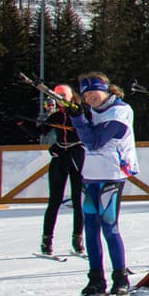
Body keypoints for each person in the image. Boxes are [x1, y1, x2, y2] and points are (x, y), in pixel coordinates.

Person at [69, 73, 138, 296]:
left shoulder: (120, 111)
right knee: (90, 227)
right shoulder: (92, 111)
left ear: (106, 89)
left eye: (94, 92)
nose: (90, 98)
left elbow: (94, 140)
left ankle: (120, 277)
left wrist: (78, 119)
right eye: (85, 94)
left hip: (112, 175)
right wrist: (73, 115)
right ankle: (96, 279)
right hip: (90, 175)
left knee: (109, 226)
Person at [35, 85, 85, 257]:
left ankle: (78, 240)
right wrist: (19, 122)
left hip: (78, 156)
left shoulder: (79, 111)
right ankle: (47, 240)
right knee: (54, 201)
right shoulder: (56, 115)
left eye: (63, 95)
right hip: (60, 158)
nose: (60, 98)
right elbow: (39, 132)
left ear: (71, 96)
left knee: (79, 201)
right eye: (58, 95)